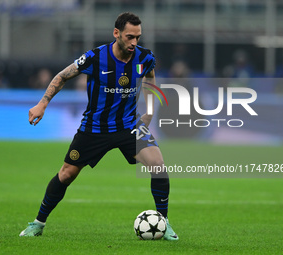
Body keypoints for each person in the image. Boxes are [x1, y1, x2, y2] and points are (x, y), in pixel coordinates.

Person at [19, 12, 178, 241]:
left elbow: (150, 78)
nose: (134, 42)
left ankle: (163, 223)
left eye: (138, 37)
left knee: (158, 165)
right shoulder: (95, 57)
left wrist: (150, 111)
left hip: (129, 125)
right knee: (66, 175)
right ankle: (38, 223)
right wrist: (42, 104)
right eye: (129, 36)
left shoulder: (145, 58)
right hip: (94, 128)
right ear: (116, 34)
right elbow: (62, 76)